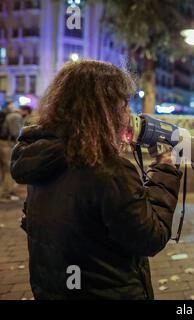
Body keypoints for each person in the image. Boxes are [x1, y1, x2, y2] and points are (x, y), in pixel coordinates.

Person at [10, 60, 182, 299]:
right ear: (104, 110)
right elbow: (150, 238)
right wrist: (165, 168)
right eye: (123, 105)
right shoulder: (109, 171)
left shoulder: (42, 157)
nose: (128, 114)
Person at [0, 101, 23, 201]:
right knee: (9, 169)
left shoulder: (6, 114)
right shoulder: (15, 116)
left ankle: (4, 191)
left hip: (2, 142)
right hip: (7, 144)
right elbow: (16, 133)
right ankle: (6, 193)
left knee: (2, 169)